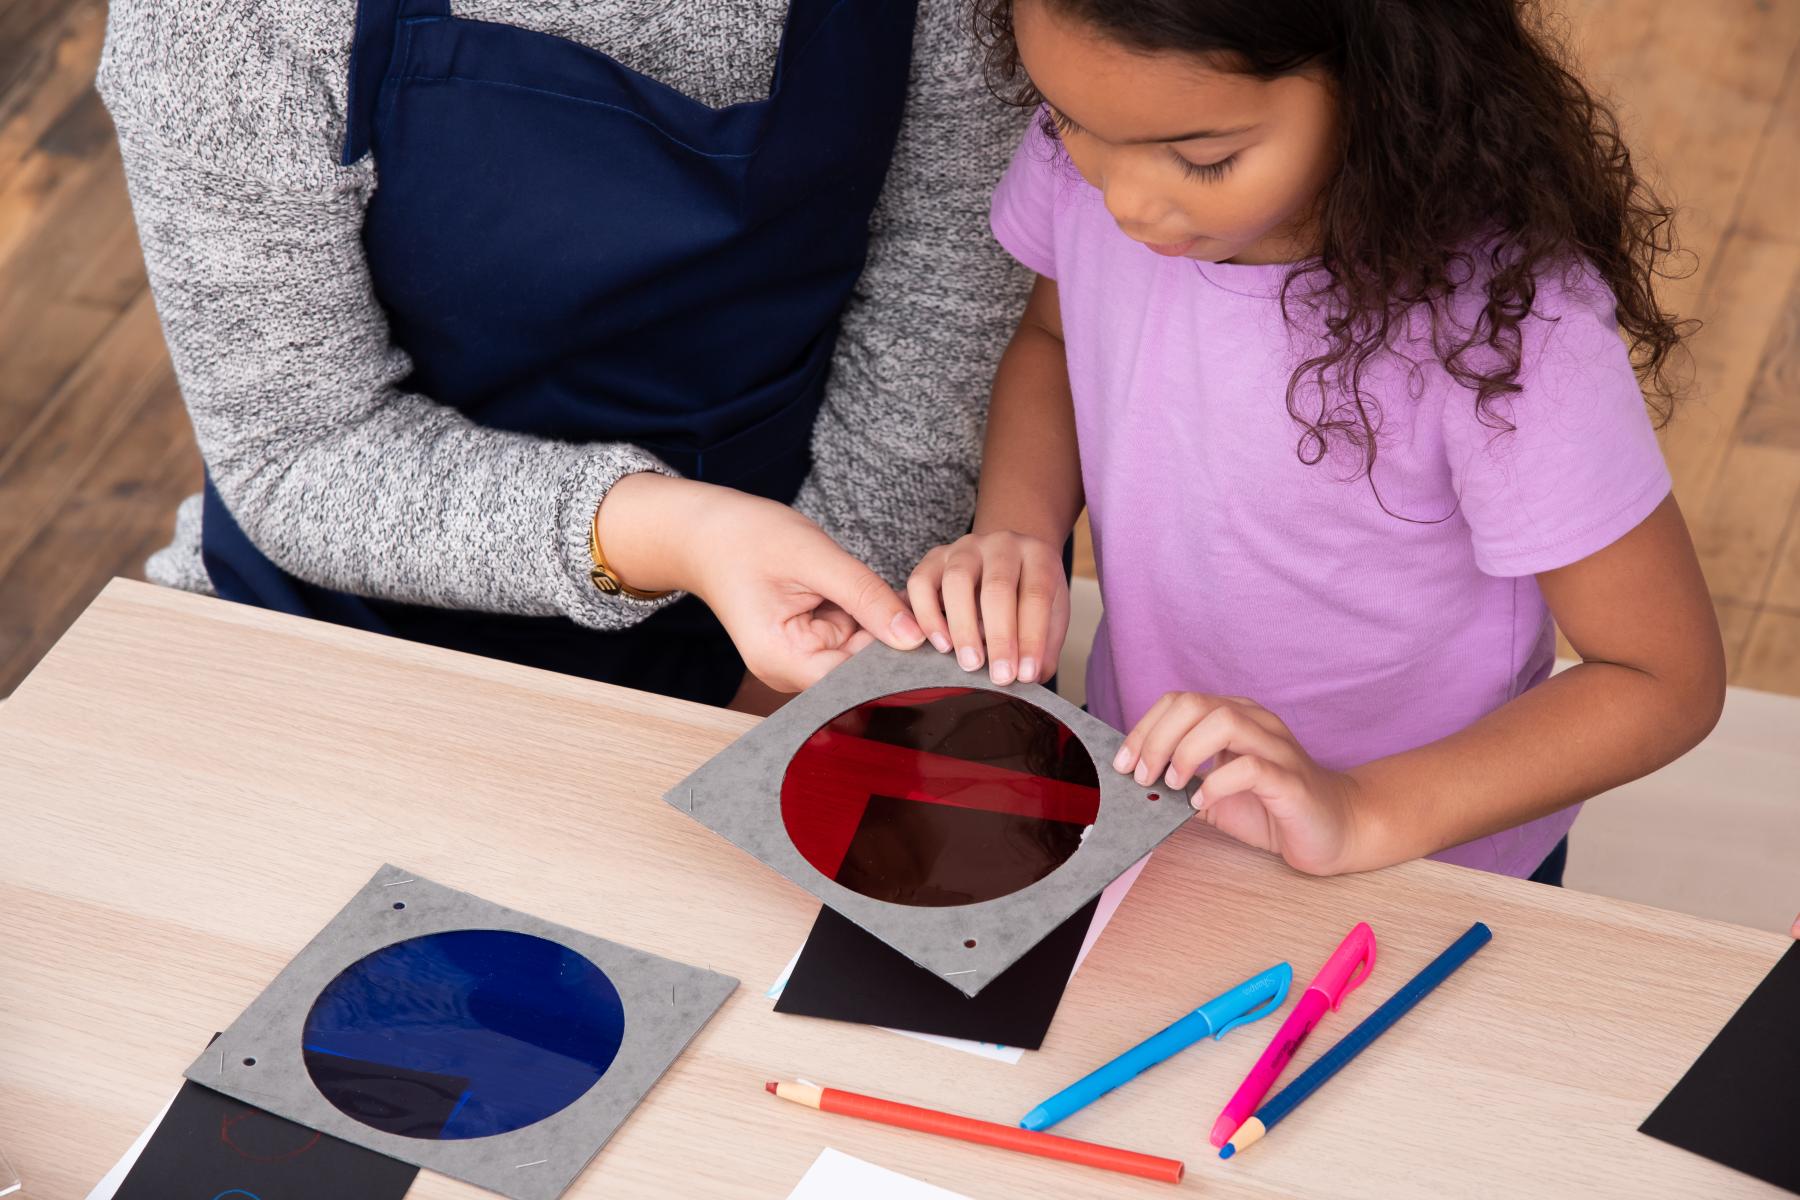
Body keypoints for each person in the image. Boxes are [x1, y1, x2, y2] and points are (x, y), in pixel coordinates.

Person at [908, 0, 1725, 880]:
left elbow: (1660, 679)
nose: (1124, 200)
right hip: (1150, 799)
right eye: (1066, 118)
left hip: (1418, 855)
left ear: (1384, 83)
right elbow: (1053, 341)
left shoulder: (1506, 325)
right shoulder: (1099, 147)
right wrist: (1017, 529)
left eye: (1202, 157)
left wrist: (1361, 810)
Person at [97, 0, 1030, 710]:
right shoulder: (233, 19)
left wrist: (812, 672)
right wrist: (680, 535)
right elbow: (296, 450)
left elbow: (936, 332)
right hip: (340, 640)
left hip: (802, 629)